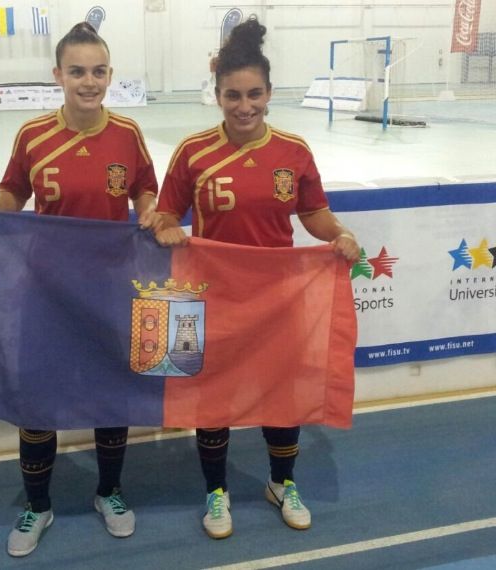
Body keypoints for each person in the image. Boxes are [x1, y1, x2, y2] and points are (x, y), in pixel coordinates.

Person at [149, 18, 360, 539]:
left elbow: (314, 215)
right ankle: (216, 494)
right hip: (210, 297)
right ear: (217, 95)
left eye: (255, 94)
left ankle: (281, 482)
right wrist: (166, 228)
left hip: (278, 298)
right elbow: (161, 215)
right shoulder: (192, 152)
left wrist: (340, 234)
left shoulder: (293, 152)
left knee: (280, 395)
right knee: (213, 397)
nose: (244, 106)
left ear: (270, 93)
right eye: (232, 95)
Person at [0, 22, 159, 557]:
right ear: (58, 75)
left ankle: (109, 492)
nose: (89, 81)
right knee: (38, 404)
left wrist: (147, 211)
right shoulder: (33, 135)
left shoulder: (128, 133)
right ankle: (37, 505)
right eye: (77, 71)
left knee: (110, 393)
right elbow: (13, 192)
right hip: (46, 292)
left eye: (98, 71)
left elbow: (147, 188)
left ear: (110, 75)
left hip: (111, 288)